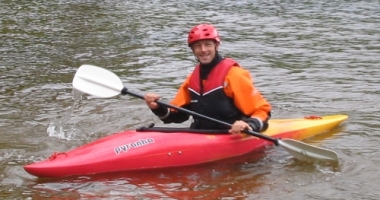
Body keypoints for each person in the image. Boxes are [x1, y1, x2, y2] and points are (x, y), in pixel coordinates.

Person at [144, 24, 271, 134]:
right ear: (193, 49)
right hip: (200, 134)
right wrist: (157, 107)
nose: (203, 50)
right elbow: (176, 116)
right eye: (198, 46)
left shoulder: (234, 75)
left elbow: (263, 111)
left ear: (216, 45)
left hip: (232, 134)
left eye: (208, 45)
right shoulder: (192, 79)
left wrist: (249, 125)